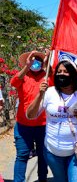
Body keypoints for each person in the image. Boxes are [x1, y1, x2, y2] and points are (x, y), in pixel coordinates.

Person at [27, 60, 77, 182]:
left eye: (66, 71)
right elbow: (30, 115)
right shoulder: (49, 92)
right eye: (59, 71)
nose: (62, 74)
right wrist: (40, 94)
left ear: (73, 74)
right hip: (52, 152)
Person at [10, 50, 49, 182]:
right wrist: (26, 67)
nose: (35, 62)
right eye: (32, 59)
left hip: (43, 125)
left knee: (43, 156)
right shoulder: (23, 76)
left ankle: (42, 179)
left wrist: (48, 63)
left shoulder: (47, 76)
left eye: (38, 59)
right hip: (23, 125)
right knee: (22, 155)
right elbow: (13, 83)